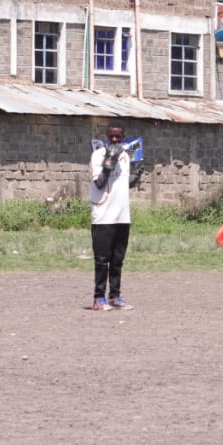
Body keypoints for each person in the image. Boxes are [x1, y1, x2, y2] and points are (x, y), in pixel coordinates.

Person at [89, 121, 134, 310]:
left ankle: (115, 296)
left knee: (118, 260)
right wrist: (109, 162)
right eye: (111, 136)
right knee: (102, 260)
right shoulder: (98, 155)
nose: (115, 139)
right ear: (107, 135)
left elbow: (121, 184)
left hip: (122, 215)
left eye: (118, 136)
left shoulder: (125, 156)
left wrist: (134, 179)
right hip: (103, 215)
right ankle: (98, 298)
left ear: (123, 137)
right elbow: (99, 184)